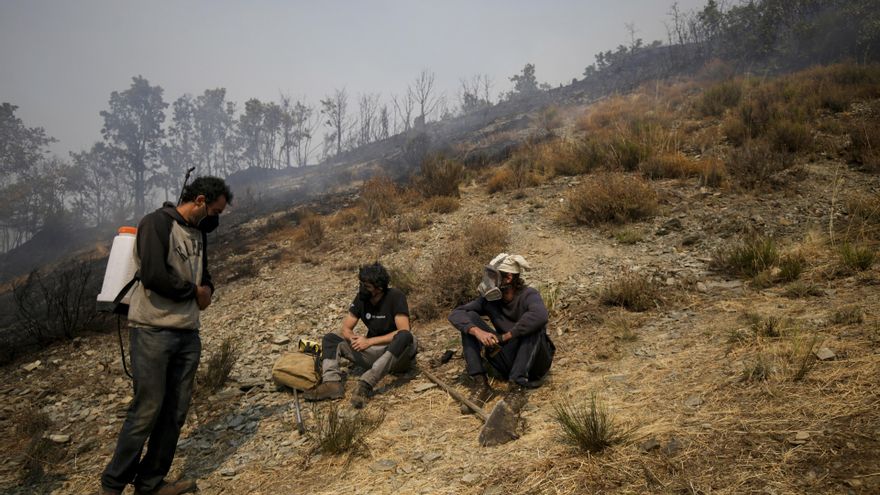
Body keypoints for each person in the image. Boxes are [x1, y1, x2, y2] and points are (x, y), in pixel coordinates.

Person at [100, 176, 232, 495]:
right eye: (215, 211)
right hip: (153, 329)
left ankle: (150, 483)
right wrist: (194, 292)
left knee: (175, 412)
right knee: (147, 410)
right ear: (200, 201)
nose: (215, 219)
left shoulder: (198, 233)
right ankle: (113, 484)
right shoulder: (156, 223)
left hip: (187, 332)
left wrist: (207, 289)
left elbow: (203, 275)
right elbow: (154, 275)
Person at [448, 253, 555, 414]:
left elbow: (540, 315)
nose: (489, 281)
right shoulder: (490, 300)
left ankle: (517, 389)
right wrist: (477, 331)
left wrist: (506, 336)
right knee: (469, 320)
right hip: (509, 360)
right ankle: (481, 385)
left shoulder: (529, 294)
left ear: (508, 278)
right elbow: (456, 313)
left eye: (493, 276)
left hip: (535, 363)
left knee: (533, 326)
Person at [304, 262, 416, 408]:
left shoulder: (395, 296)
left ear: (379, 289)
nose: (362, 288)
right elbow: (346, 328)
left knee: (405, 336)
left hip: (397, 356)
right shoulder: (361, 299)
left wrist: (369, 342)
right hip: (373, 354)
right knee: (331, 339)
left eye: (367, 286)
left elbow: (404, 329)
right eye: (361, 283)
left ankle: (366, 384)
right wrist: (353, 339)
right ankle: (331, 384)